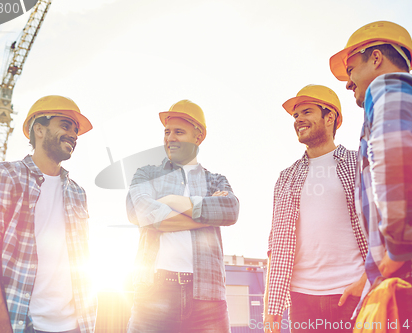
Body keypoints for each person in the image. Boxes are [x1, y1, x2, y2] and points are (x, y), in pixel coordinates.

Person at [330, 20, 412, 331]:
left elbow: (395, 156)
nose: (348, 83)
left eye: (350, 70)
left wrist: (399, 250)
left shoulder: (389, 86)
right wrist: (368, 278)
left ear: (375, 58)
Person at [0, 96, 97, 333]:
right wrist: (0, 326)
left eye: (76, 130)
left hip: (71, 327)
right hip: (16, 325)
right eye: (65, 125)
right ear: (39, 129)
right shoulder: (3, 175)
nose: (73, 135)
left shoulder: (78, 193)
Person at [126, 99, 239, 332]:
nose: (170, 138)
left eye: (179, 132)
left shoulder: (215, 180)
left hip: (207, 294)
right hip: (153, 292)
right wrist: (205, 217)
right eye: (167, 132)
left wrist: (169, 202)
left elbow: (230, 210)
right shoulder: (147, 174)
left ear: (198, 138)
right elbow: (140, 212)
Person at [264, 85, 368, 333]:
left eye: (306, 112)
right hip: (302, 300)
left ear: (329, 116)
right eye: (295, 115)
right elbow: (275, 246)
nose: (298, 119)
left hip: (354, 294)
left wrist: (367, 280)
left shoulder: (361, 163)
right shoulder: (286, 177)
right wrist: (272, 307)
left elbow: (384, 224)